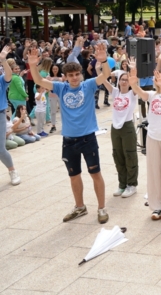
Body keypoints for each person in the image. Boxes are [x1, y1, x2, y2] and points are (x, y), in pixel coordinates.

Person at [28, 43, 111, 224]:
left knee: (95, 173)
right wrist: (33, 65)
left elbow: (105, 75)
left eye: (76, 75)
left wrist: (103, 60)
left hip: (88, 137)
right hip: (69, 139)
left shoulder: (88, 85)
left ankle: (102, 208)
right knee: (74, 175)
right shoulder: (61, 88)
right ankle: (79, 206)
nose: (74, 78)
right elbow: (39, 82)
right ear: (65, 77)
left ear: (81, 74)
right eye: (71, 75)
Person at [129, 62, 161, 221]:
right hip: (152, 137)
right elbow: (139, 92)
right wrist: (133, 82)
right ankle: (157, 205)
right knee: (154, 172)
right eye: (159, 78)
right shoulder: (151, 95)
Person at [102, 72, 139, 198]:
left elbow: (136, 84)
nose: (124, 82)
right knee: (118, 156)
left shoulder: (132, 93)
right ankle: (122, 184)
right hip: (115, 128)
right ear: (118, 81)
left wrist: (133, 71)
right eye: (122, 79)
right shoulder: (115, 92)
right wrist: (99, 67)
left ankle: (132, 184)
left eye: (126, 80)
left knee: (130, 155)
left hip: (127, 126)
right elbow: (103, 79)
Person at [0, 47, 21, 185]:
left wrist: (3, 60)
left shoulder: (1, 79)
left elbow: (8, 75)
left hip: (0, 114)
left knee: (0, 148)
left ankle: (12, 171)